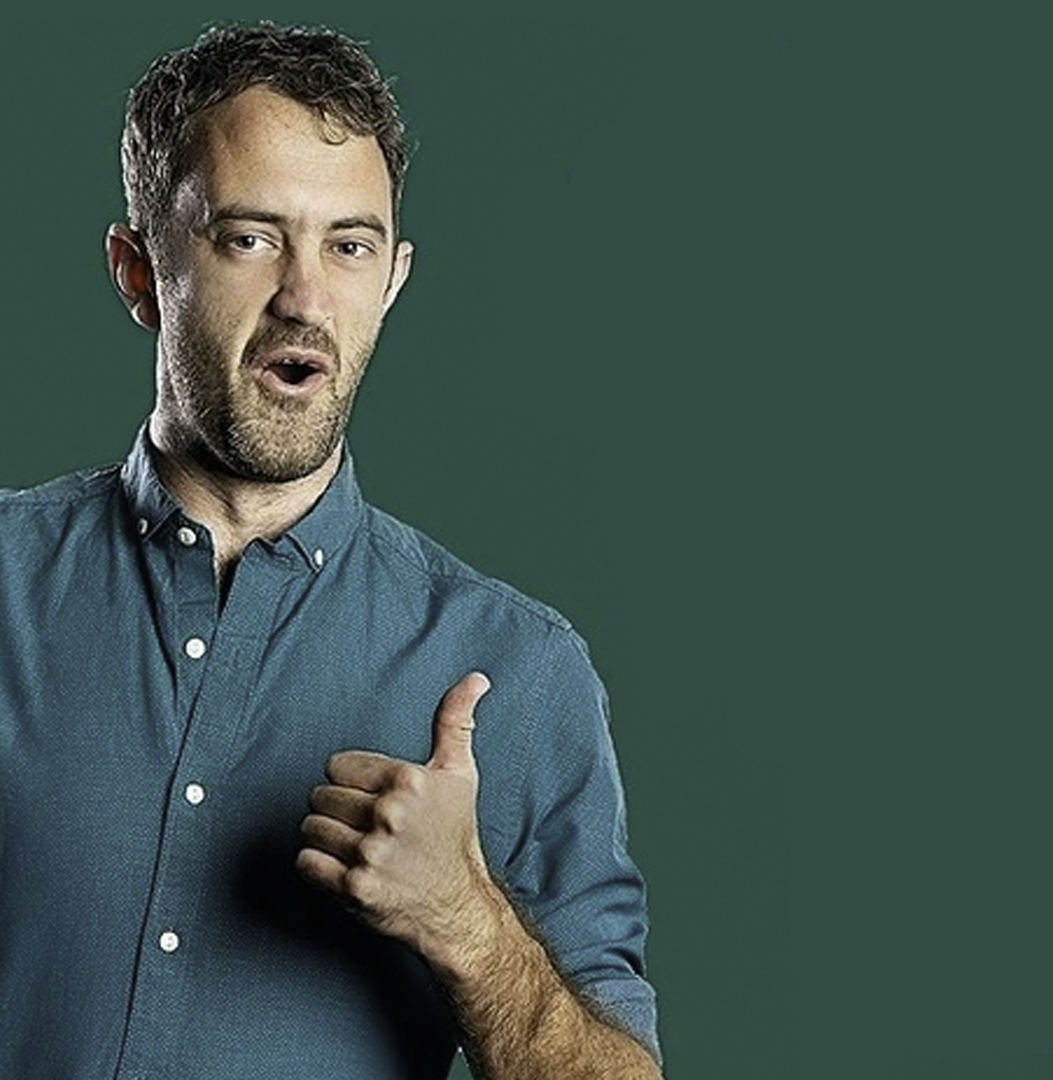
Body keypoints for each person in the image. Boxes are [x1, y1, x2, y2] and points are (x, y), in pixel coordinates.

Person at [0, 21, 661, 1080]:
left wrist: (466, 922)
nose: (305, 297)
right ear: (138, 270)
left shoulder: (520, 677)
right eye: (250, 237)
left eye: (348, 246)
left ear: (391, 281)